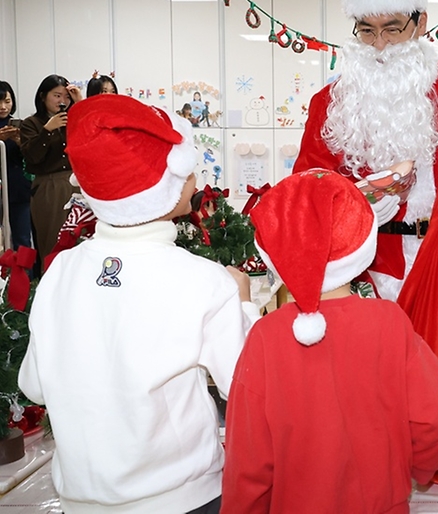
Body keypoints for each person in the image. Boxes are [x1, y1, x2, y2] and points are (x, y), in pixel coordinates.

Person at [18, 95, 258, 513]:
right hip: (182, 496)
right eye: (185, 171)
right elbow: (248, 381)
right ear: (163, 186)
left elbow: (34, 385)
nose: (197, 181)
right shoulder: (202, 279)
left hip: (81, 497)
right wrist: (244, 305)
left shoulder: (61, 271)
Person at [293, 0, 438, 378]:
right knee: (362, 376)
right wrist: (359, 201)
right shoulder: (329, 103)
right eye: (366, 30)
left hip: (431, 253)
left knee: (433, 371)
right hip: (357, 262)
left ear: (420, 23)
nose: (379, 44)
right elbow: (305, 184)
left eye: (393, 28)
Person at [222, 169, 438, 513]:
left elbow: (249, 456)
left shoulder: (266, 338)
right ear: (362, 240)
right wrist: (422, 468)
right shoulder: (391, 323)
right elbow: (429, 421)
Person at [19, 74, 82, 264]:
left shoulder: (74, 118)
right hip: (49, 186)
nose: (63, 101)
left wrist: (80, 103)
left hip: (78, 184)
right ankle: (50, 286)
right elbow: (32, 157)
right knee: (52, 241)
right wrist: (47, 130)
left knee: (80, 240)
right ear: (42, 96)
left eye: (67, 97)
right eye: (57, 96)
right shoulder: (31, 123)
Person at [0, 81, 32, 252]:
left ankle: (26, 277)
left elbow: (32, 157)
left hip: (19, 190)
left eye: (7, 101)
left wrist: (21, 142)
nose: (3, 107)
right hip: (2, 188)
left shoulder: (22, 125)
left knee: (22, 238)